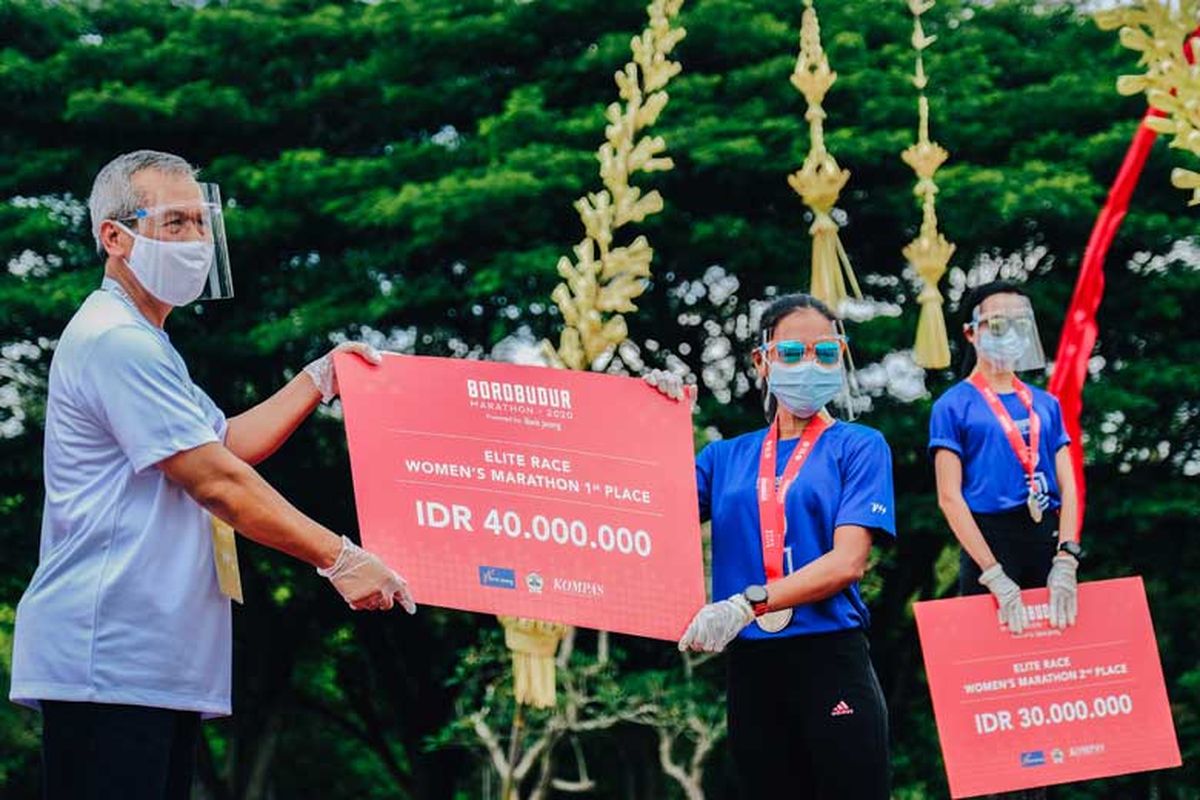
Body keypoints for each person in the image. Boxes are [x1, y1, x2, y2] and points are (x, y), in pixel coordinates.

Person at [9, 150, 415, 800]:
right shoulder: (116, 341)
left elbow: (224, 443)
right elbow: (217, 481)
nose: (196, 240)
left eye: (202, 223)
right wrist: (337, 557)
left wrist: (320, 378)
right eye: (174, 223)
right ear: (114, 237)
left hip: (149, 659)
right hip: (109, 653)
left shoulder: (149, 344)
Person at [647, 293, 895, 800]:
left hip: (830, 656)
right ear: (762, 362)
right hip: (753, 667)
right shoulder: (724, 457)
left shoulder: (859, 445)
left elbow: (848, 562)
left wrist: (746, 605)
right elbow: (647, 512)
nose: (810, 364)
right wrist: (654, 416)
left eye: (826, 353)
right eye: (792, 353)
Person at [930, 281, 1081, 642]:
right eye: (997, 323)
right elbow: (949, 497)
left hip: (1046, 538)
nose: (1010, 333)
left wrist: (1067, 557)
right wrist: (992, 572)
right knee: (993, 653)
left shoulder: (1046, 403)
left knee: (1058, 649)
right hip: (989, 540)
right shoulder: (953, 405)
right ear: (971, 332)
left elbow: (1069, 485)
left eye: (1020, 323)